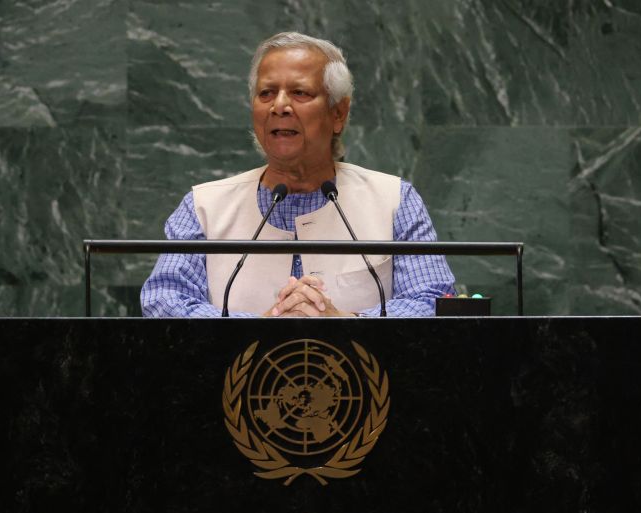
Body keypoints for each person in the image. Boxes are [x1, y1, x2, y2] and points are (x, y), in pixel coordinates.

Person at [141, 32, 455, 318]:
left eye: (300, 93)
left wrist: (347, 323)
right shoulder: (203, 207)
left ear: (338, 113)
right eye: (266, 93)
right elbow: (163, 299)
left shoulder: (395, 201)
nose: (279, 106)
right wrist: (256, 330)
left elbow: (433, 298)